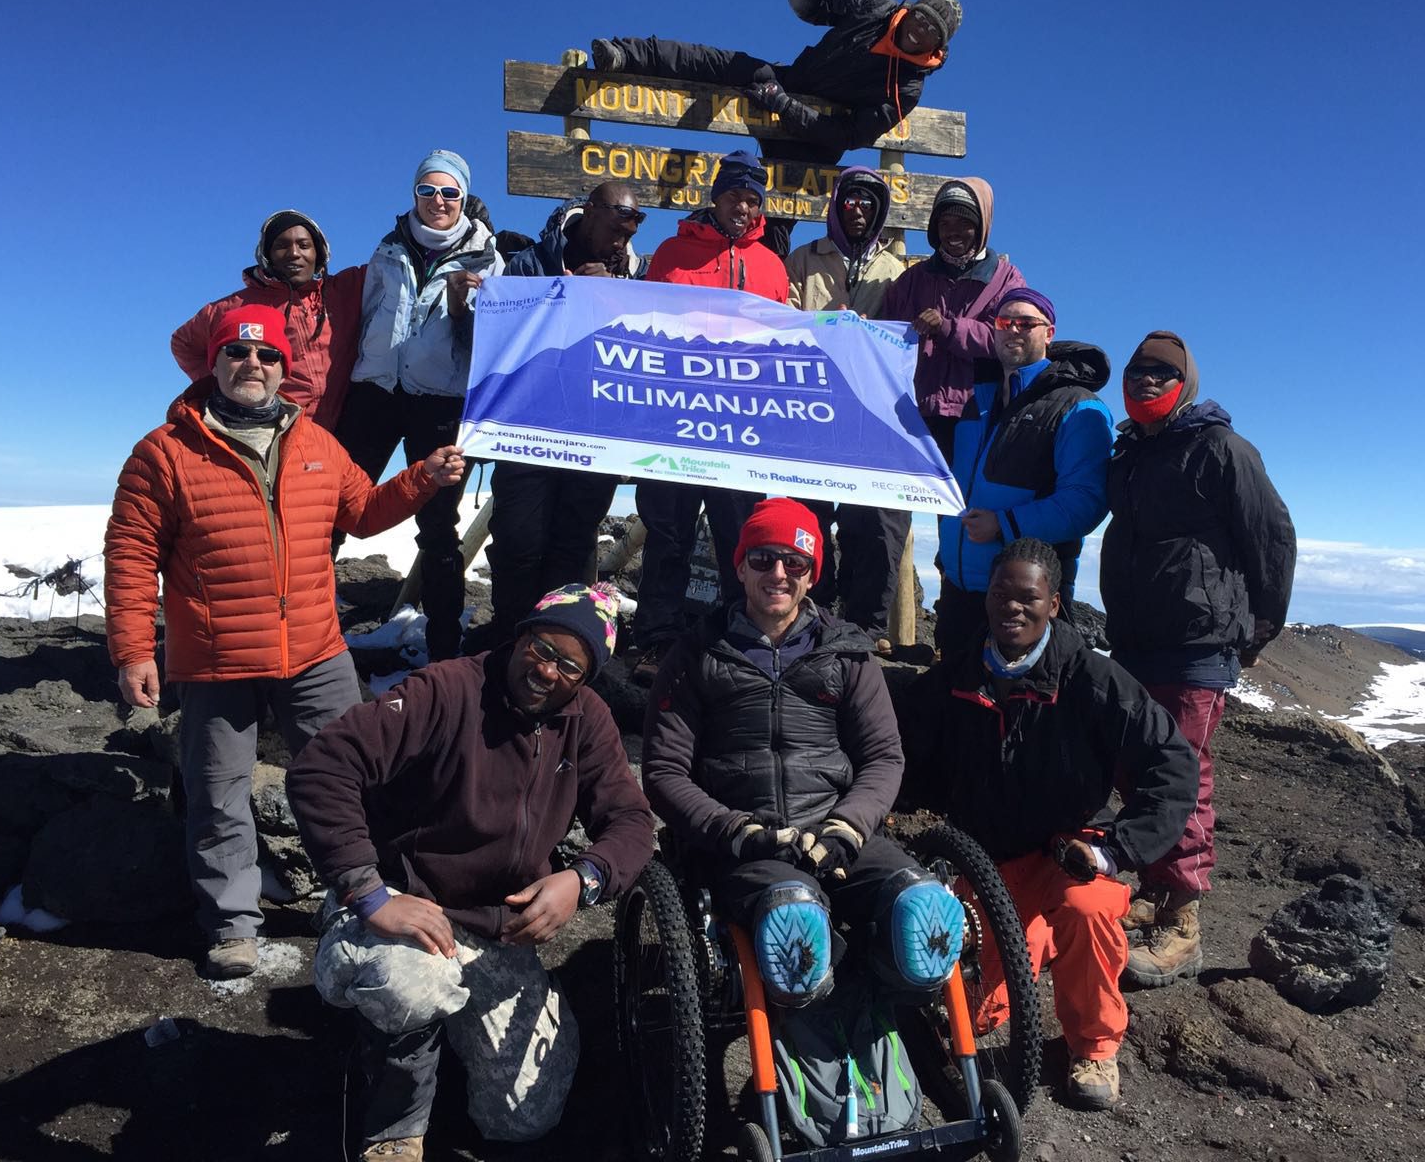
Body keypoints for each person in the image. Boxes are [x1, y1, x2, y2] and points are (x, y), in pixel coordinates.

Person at [104, 304, 465, 980]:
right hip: (216, 657)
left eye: (267, 356)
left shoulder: (318, 445)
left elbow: (362, 514)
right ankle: (232, 925)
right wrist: (133, 649)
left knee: (352, 778)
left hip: (316, 651)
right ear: (214, 363)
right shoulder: (164, 451)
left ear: (284, 369)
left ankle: (358, 896)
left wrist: (422, 479)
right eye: (238, 354)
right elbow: (129, 554)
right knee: (217, 793)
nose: (253, 366)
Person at [287, 584, 655, 1159]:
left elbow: (632, 821)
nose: (546, 671)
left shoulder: (588, 721)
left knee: (524, 1118)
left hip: (495, 930)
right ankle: (394, 1127)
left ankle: (453, 1034)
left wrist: (581, 880)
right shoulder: (447, 689)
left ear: (587, 677)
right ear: (520, 635)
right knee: (411, 989)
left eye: (569, 665)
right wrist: (368, 893)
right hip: (407, 905)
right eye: (540, 648)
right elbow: (324, 767)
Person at [900, 538, 1199, 1111]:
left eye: (1028, 597)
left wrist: (1117, 849)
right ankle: (1025, 956)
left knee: (1088, 913)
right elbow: (898, 753)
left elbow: (1172, 762)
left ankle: (1095, 1047)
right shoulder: (955, 677)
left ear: (1054, 604)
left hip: (1071, 852)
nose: (1013, 606)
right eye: (1001, 593)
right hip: (982, 861)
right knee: (978, 1010)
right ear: (985, 597)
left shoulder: (1092, 678)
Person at [642, 499, 965, 1011]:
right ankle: (824, 1008)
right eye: (763, 558)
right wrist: (734, 830)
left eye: (794, 562)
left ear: (812, 574)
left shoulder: (848, 652)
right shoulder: (695, 654)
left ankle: (878, 989)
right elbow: (663, 770)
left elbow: (884, 756)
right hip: (747, 845)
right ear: (740, 565)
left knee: (920, 902)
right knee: (795, 919)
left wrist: (848, 826)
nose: (778, 573)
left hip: (840, 837)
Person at [1101, 331, 1296, 987]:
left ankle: (1183, 924)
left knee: (1182, 773)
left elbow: (1273, 536)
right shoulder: (1129, 454)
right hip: (1134, 638)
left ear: (1186, 382)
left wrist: (1258, 628)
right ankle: (1156, 892)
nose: (1148, 382)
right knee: (1137, 768)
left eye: (1162, 373)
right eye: (1138, 372)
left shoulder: (1220, 449)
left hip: (1197, 643)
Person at [592, 0, 960, 256]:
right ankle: (627, 54)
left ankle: (758, 306)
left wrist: (784, 106)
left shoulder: (907, 87)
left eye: (933, 31)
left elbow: (849, 135)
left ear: (938, 47)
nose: (921, 30)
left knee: (776, 225)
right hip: (788, 82)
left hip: (812, 144)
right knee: (720, 63)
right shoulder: (879, 7)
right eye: (922, 17)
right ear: (911, 10)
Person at [337, 148, 505, 661]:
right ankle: (311, 633)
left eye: (449, 192)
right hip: (376, 394)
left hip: (440, 402)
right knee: (329, 509)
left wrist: (462, 308)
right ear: (414, 195)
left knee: (437, 525)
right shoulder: (388, 249)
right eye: (427, 191)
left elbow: (491, 345)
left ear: (464, 197)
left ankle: (443, 649)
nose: (438, 201)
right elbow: (363, 318)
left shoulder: (487, 261)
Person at [470, 184, 650, 654]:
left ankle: (561, 643)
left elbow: (644, 345)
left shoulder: (638, 274)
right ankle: (511, 638)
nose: (623, 237)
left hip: (597, 432)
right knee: (518, 540)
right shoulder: (530, 262)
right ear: (589, 212)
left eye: (633, 226)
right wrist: (573, 291)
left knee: (575, 543)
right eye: (616, 224)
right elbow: (507, 338)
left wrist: (611, 296)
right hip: (529, 428)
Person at [631, 151, 785, 684]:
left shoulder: (771, 264)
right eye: (734, 196)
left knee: (739, 536)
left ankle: (735, 639)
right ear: (715, 196)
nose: (743, 207)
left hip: (740, 427)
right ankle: (657, 641)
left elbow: (783, 348)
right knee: (666, 533)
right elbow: (640, 325)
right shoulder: (672, 253)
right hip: (673, 419)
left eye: (752, 199)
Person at [932, 288, 1113, 659]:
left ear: (1049, 333)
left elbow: (1086, 501)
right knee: (951, 708)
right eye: (1004, 322)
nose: (1013, 329)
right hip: (959, 592)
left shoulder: (1077, 405)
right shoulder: (976, 401)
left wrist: (1004, 524)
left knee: (1014, 710)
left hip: (1023, 602)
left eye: (1026, 323)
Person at [784, 167, 910, 653]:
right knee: (808, 510)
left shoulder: (896, 271)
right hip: (810, 403)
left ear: (879, 211)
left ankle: (866, 627)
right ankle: (812, 608)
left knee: (871, 518)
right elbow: (784, 319)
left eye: (868, 203)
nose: (858, 210)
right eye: (850, 201)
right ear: (837, 205)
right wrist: (828, 325)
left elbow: (904, 336)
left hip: (871, 410)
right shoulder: (803, 259)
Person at [171, 210, 367, 430]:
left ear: (319, 253)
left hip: (346, 428)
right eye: (282, 245)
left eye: (304, 245)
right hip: (277, 429)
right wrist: (225, 383)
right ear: (266, 255)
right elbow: (184, 343)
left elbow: (392, 263)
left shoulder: (346, 290)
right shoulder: (238, 306)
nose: (294, 253)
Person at [882, 179, 1024, 462]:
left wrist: (948, 328)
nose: (952, 233)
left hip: (977, 414)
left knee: (966, 503)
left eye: (963, 223)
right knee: (893, 501)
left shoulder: (1007, 279)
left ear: (981, 227)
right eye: (944, 224)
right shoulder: (912, 279)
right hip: (913, 411)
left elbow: (1011, 338)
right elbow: (885, 332)